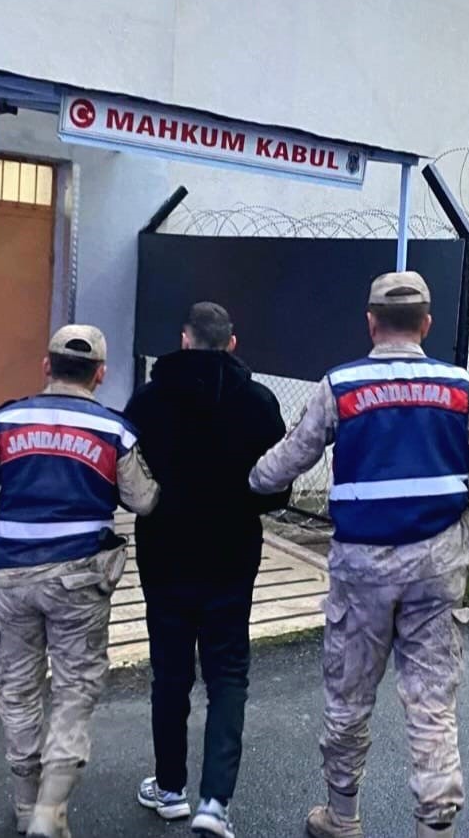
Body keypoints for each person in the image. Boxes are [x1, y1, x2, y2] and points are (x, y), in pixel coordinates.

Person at [249, 271, 469, 838]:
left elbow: (284, 463)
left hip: (361, 568)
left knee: (348, 697)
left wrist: (246, 479)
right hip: (438, 565)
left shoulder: (340, 386)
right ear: (426, 324)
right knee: (431, 704)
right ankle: (435, 827)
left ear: (371, 324)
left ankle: (342, 817)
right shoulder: (461, 388)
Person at [0, 325, 159, 838]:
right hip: (81, 579)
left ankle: (26, 804)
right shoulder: (115, 431)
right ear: (100, 374)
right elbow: (143, 501)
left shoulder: (5, 422)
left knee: (18, 689)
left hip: (12, 576)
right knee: (75, 689)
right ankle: (51, 809)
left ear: (47, 366)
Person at [123, 302, 290, 838]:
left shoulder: (147, 401)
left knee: (170, 673)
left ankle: (170, 787)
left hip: (164, 555)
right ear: (232, 344)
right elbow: (276, 489)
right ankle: (214, 803)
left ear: (184, 339)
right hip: (231, 556)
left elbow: (129, 479)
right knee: (228, 675)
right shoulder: (258, 403)